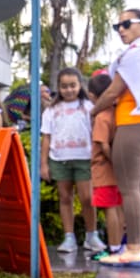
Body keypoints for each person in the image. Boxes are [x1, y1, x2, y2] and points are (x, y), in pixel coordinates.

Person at [90, 9, 140, 266]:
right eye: (118, 26)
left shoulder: (135, 53)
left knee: (129, 189)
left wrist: (92, 111)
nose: (121, 30)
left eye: (126, 24)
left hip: (134, 122)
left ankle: (134, 249)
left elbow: (112, 92)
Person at [40, 67, 103, 254]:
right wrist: (44, 164)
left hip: (84, 158)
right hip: (59, 159)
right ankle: (69, 237)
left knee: (87, 198)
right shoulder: (51, 110)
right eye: (64, 86)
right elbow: (46, 137)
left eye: (73, 85)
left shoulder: (89, 107)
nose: (69, 90)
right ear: (58, 87)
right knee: (65, 197)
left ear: (80, 85)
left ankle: (91, 235)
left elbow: (96, 132)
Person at [87, 72, 125, 262]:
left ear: (92, 96)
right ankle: (119, 245)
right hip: (118, 171)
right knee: (118, 207)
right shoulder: (116, 113)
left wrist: (113, 161)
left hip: (103, 168)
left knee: (109, 208)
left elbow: (103, 144)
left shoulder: (101, 117)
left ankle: (113, 247)